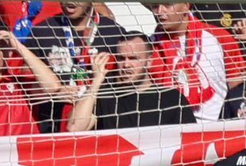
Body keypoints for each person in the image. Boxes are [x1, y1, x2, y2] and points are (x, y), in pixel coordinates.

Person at [25, 0, 131, 96]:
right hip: (55, 113)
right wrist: (55, 92)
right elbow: (27, 84)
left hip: (100, 113)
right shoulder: (42, 32)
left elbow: (126, 80)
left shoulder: (113, 32)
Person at [148, 0, 241, 121]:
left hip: (216, 128)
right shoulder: (149, 46)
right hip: (167, 129)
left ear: (186, 5)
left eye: (167, 4)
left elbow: (237, 89)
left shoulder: (220, 37)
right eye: (155, 5)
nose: (160, 12)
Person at [67, 35, 195, 132]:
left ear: (149, 61)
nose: (126, 65)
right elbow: (74, 128)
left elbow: (189, 142)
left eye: (133, 58)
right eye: (122, 58)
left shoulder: (171, 99)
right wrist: (96, 81)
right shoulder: (106, 97)